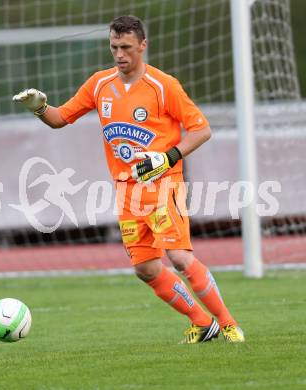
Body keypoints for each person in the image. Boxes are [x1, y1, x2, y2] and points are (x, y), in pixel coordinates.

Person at [13, 15, 244, 343]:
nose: (119, 54)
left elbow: (201, 130)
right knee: (146, 268)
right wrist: (39, 108)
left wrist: (167, 158)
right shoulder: (99, 85)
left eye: (126, 47)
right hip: (127, 192)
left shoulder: (164, 86)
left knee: (178, 256)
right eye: (114, 47)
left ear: (142, 46)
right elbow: (61, 118)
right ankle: (202, 323)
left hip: (164, 185)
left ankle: (229, 323)